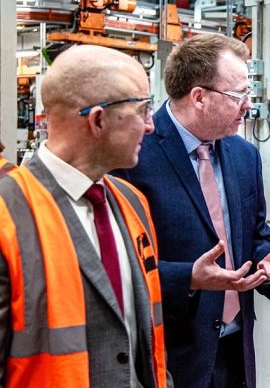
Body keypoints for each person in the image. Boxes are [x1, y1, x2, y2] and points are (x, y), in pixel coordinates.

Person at [111, 34, 270, 388]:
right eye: (238, 95)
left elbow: (255, 236)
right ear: (199, 97)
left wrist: (269, 261)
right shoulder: (133, 156)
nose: (248, 105)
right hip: (170, 354)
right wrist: (189, 278)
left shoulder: (243, 155)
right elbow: (119, 266)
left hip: (235, 352)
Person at [0, 45, 171, 387]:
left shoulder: (131, 203)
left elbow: (145, 345)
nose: (150, 126)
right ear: (98, 119)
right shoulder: (8, 215)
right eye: (143, 110)